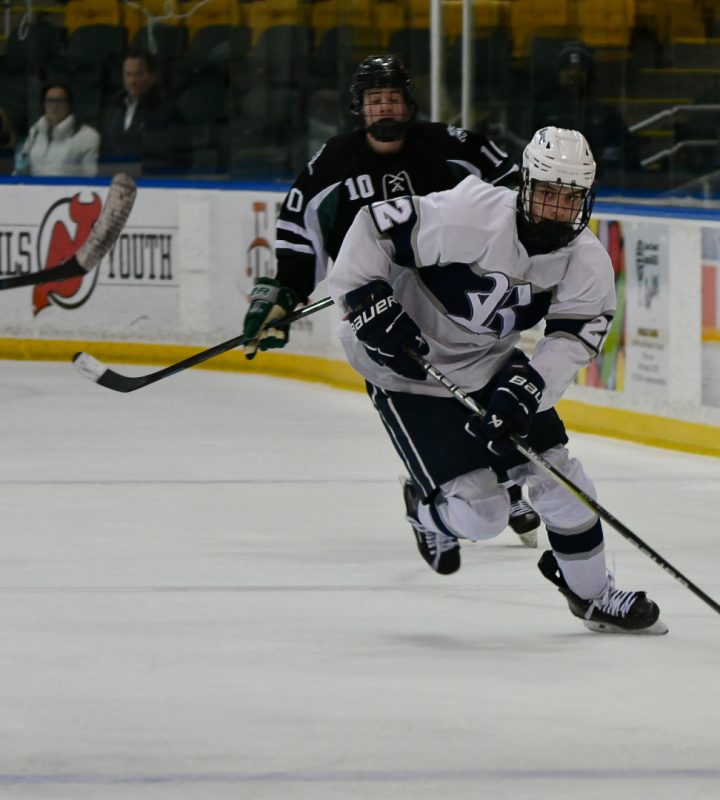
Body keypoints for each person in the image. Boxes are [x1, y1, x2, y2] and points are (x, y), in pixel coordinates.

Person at [325, 126, 667, 634]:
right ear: (525, 185)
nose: (556, 209)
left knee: (563, 480)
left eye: (570, 198)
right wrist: (365, 296)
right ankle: (426, 511)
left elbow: (573, 339)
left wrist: (529, 386)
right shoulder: (469, 214)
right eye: (547, 193)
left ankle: (592, 595)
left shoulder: (586, 261)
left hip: (489, 363)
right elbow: (374, 227)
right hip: (406, 371)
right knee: (482, 514)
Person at [241, 55, 541, 541]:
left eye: (393, 98)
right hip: (384, 314)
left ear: (409, 103)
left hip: (458, 302)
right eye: (375, 99)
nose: (385, 108)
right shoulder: (333, 163)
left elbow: (515, 194)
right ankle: (448, 490)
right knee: (433, 400)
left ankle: (502, 487)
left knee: (488, 388)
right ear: (358, 108)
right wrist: (284, 294)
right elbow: (300, 234)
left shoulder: (449, 147)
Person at [531, 41, 639, 179]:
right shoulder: (542, 113)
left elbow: (627, 156)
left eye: (580, 69)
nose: (573, 74)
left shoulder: (605, 114)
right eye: (567, 68)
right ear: (559, 73)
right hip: (551, 185)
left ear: (589, 74)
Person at [97, 51, 186, 176]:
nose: (133, 81)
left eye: (139, 74)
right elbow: (106, 149)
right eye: (128, 74)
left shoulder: (167, 111)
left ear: (151, 76)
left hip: (150, 184)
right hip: (114, 182)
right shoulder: (113, 108)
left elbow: (175, 158)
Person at [13, 83, 100, 177]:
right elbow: (22, 167)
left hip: (68, 190)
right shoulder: (35, 131)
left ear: (69, 105)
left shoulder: (87, 135)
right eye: (49, 101)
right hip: (35, 190)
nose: (54, 106)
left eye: (60, 101)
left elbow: (90, 176)